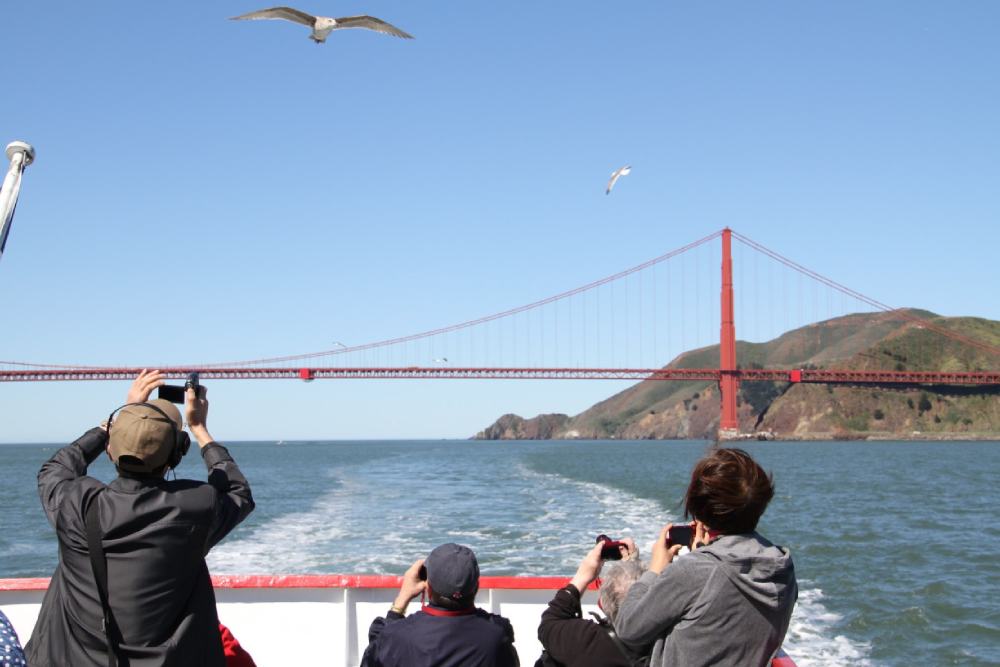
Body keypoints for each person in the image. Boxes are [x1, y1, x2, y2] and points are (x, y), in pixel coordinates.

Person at [25, 369, 255, 667]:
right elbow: (238, 492)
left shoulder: (76, 504)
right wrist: (199, 428)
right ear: (177, 454)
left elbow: (57, 468)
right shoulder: (196, 505)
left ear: (109, 450)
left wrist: (117, 421)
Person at [615, 447, 797, 667]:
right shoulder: (782, 567)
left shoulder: (695, 571)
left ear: (698, 508)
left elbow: (628, 628)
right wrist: (704, 551)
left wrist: (656, 568)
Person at [361, 542, 520, 667]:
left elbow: (372, 658)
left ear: (428, 588)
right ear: (476, 588)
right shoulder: (497, 636)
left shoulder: (397, 636)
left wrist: (401, 601)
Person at [536, 538, 650, 667]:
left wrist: (582, 577)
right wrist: (634, 567)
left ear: (602, 603)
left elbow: (549, 625)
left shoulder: (587, 639)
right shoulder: (667, 640)